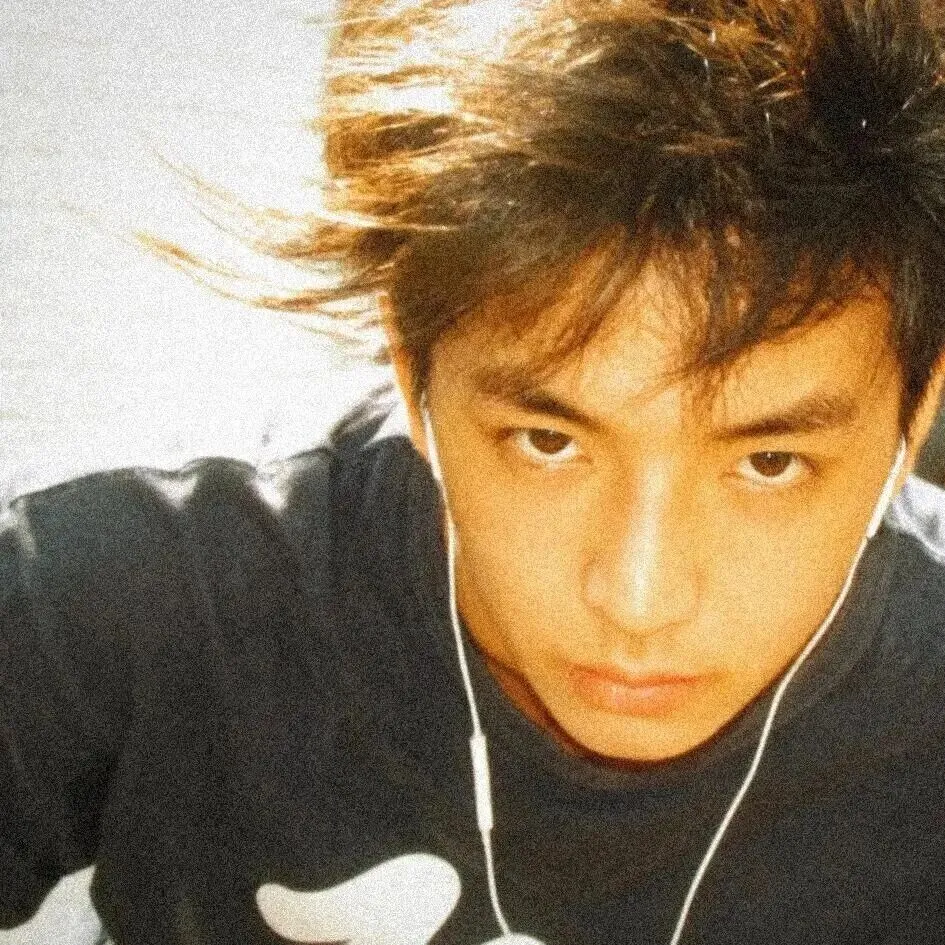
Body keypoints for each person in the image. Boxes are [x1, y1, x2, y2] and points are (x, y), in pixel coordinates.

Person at [4, 0, 945, 942]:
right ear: (410, 368)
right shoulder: (140, 586)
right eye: (548, 441)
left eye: (769, 461)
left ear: (914, 415)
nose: (639, 599)